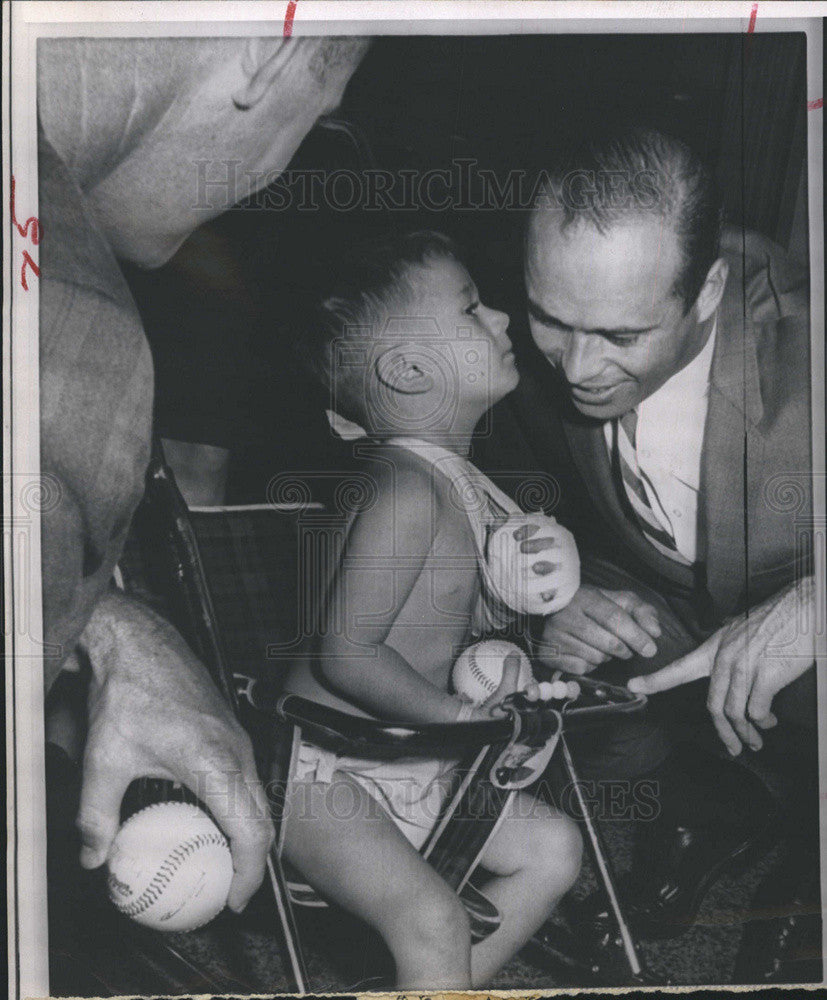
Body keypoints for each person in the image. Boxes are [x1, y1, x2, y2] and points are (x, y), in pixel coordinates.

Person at [37, 36, 369, 921]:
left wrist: (104, 627)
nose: (283, 166)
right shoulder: (74, 330)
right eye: (319, 112)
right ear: (273, 49)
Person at [476, 125, 817, 955]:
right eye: (552, 320)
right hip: (673, 622)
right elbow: (506, 494)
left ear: (706, 294)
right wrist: (557, 593)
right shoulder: (519, 339)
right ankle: (720, 809)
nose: (575, 367)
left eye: (621, 338)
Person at [283, 231, 583, 989]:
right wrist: (455, 717)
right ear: (410, 369)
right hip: (317, 770)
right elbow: (346, 653)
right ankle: (432, 968)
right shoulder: (403, 490)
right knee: (431, 918)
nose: (505, 320)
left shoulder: (459, 483)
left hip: (405, 758)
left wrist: (520, 679)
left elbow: (459, 628)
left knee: (555, 850)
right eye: (472, 308)